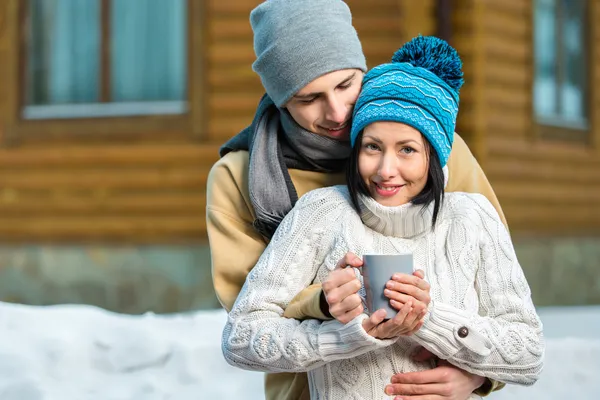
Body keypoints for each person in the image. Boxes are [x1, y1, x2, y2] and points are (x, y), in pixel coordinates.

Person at [207, 0, 506, 398]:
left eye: (347, 84)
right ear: (281, 101)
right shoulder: (240, 177)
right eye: (309, 98)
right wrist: (324, 301)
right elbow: (247, 308)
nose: (336, 111)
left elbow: (498, 283)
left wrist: (479, 376)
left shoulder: (436, 148)